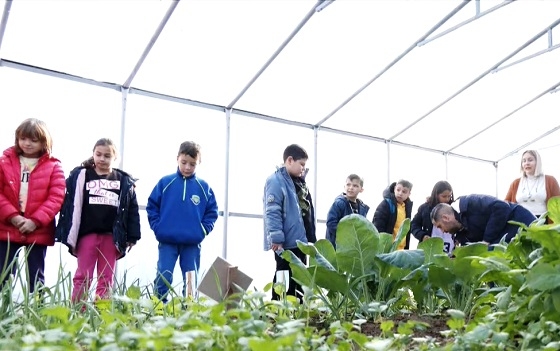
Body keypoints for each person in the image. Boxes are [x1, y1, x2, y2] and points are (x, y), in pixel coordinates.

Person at [55, 138, 141, 303]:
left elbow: (132, 210)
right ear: (93, 154)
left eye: (107, 156)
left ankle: (101, 314)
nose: (102, 159)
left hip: (111, 237)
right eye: (98, 154)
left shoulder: (123, 181)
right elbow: (69, 203)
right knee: (82, 275)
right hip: (87, 235)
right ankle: (78, 310)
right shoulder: (82, 176)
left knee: (106, 277)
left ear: (115, 158)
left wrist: (132, 236)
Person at [147, 141, 218, 302]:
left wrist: (202, 230)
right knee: (163, 275)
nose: (187, 167)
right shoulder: (165, 182)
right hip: (167, 241)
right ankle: (159, 309)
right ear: (177, 158)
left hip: (192, 242)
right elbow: (152, 206)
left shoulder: (203, 187)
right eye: (184, 162)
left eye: (192, 164)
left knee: (191, 278)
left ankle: (189, 311)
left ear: (198, 163)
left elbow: (212, 213)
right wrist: (158, 228)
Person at [0, 118, 65, 293]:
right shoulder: (4, 162)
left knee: (36, 277)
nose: (27, 143)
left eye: (33, 140)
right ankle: (4, 314)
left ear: (44, 142)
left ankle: (36, 314)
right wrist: (13, 217)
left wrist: (35, 221)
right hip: (7, 226)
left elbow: (56, 197)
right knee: (4, 275)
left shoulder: (54, 166)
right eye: (23, 139)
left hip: (38, 229)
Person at [263, 144, 316, 301]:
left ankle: (296, 309)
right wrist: (276, 238)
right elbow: (272, 211)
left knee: (298, 276)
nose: (303, 169)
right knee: (283, 275)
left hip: (299, 240)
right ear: (290, 160)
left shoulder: (298, 182)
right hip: (285, 241)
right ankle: (278, 309)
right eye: (302, 164)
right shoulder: (275, 181)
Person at [430, 194, 536, 246]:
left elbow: (501, 207)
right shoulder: (461, 233)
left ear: (445, 218)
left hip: (522, 224)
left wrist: (486, 240)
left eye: (440, 226)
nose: (442, 231)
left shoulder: (470, 203)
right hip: (508, 243)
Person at [504, 150, 560, 219]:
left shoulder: (550, 180)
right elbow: (506, 203)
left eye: (530, 160)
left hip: (542, 222)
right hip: (520, 221)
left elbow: (558, 204)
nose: (526, 163)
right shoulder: (516, 183)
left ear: (537, 162)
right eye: (524, 161)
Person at [411, 180, 455, 255]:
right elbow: (413, 225)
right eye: (444, 196)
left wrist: (458, 240)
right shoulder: (425, 208)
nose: (447, 199)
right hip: (430, 247)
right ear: (436, 195)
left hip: (450, 249)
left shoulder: (454, 208)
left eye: (449, 196)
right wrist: (422, 236)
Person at [326, 174, 369, 248]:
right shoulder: (339, 203)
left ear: (361, 189)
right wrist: (345, 236)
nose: (351, 188)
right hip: (337, 246)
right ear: (344, 187)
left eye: (355, 186)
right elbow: (331, 223)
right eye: (348, 185)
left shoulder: (362, 208)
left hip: (353, 247)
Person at [373, 180, 413, 250]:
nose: (400, 193)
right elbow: (378, 225)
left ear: (409, 194)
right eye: (398, 190)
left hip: (402, 249)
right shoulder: (386, 204)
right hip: (388, 249)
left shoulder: (407, 207)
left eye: (404, 192)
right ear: (394, 189)